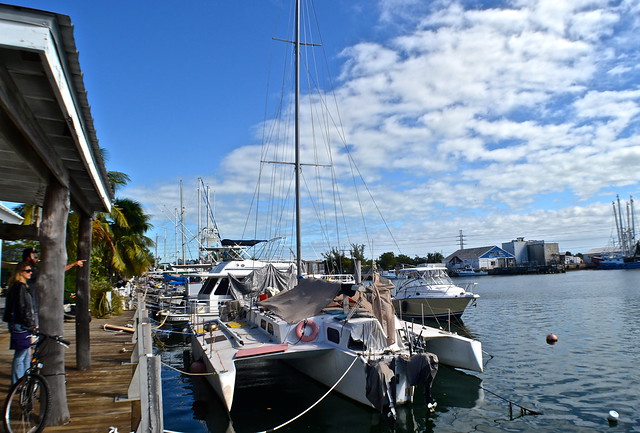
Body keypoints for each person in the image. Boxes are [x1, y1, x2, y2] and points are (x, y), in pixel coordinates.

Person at [2, 261, 36, 383]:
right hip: (21, 325)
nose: (30, 273)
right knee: (21, 354)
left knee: (26, 353)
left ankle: (24, 380)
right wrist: (31, 324)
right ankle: (18, 382)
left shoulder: (17, 286)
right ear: (20, 273)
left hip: (19, 323)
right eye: (27, 271)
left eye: (30, 270)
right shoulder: (20, 287)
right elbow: (23, 308)